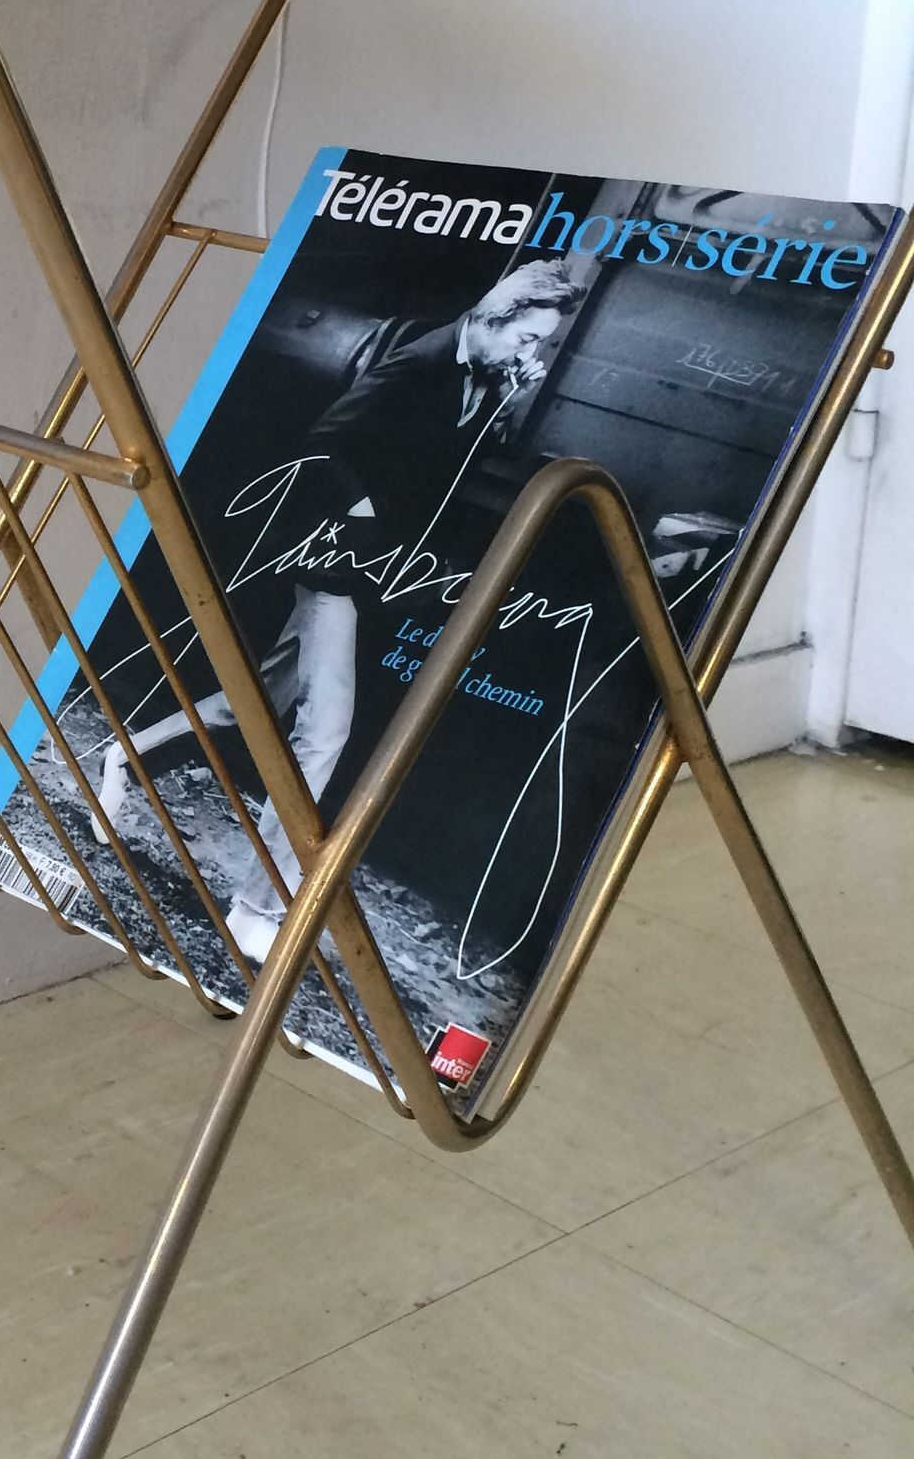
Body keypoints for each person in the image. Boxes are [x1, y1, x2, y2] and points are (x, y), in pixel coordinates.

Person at [93, 257, 587, 960]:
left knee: (252, 704)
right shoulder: (417, 363)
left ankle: (125, 756)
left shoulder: (483, 372)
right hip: (337, 561)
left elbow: (446, 462)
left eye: (540, 343)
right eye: (527, 337)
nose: (530, 352)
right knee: (324, 732)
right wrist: (360, 515)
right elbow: (326, 441)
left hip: (376, 565)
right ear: (492, 317)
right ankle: (257, 905)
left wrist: (505, 397)